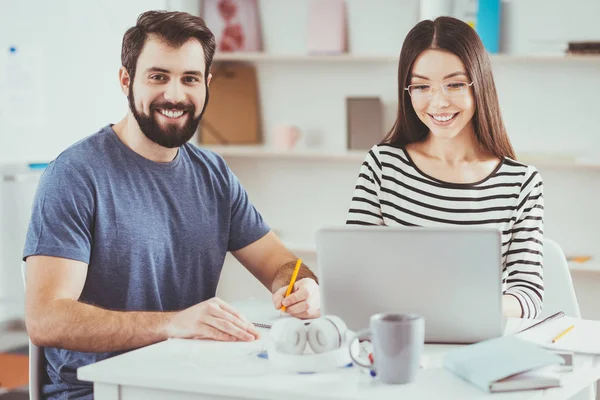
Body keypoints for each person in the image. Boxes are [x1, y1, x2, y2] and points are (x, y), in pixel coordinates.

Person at [23, 11, 319, 400]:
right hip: (99, 390)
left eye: (190, 79)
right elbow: (46, 318)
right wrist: (173, 324)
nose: (176, 95)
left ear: (207, 85)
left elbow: (282, 264)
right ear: (126, 80)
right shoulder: (75, 175)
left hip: (188, 379)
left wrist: (303, 286)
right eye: (158, 76)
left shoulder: (213, 174)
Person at [346, 17, 543, 319]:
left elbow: (527, 294)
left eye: (454, 84)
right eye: (422, 86)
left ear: (480, 85)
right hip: (398, 333)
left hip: (477, 342)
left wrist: (460, 305)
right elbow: (353, 270)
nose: (438, 103)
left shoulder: (521, 183)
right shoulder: (383, 166)